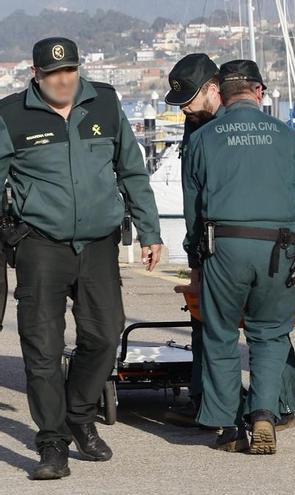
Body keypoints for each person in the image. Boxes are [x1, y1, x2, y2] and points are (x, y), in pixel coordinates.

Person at [0, 37, 162, 479]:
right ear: (36, 75)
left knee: (106, 335)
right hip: (40, 245)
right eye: (53, 74)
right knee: (42, 349)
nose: (63, 80)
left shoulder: (105, 104)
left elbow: (131, 169)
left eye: (69, 70)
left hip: (97, 245)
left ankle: (79, 413)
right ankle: (51, 443)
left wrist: (150, 230)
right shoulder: (11, 114)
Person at [163, 53, 295, 432]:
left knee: (219, 332)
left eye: (189, 99)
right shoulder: (287, 134)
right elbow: (292, 194)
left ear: (217, 89)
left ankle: (225, 422)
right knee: (271, 332)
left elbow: (194, 206)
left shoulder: (204, 136)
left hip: (223, 247)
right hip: (279, 246)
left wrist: (196, 263)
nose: (185, 108)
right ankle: (266, 414)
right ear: (258, 91)